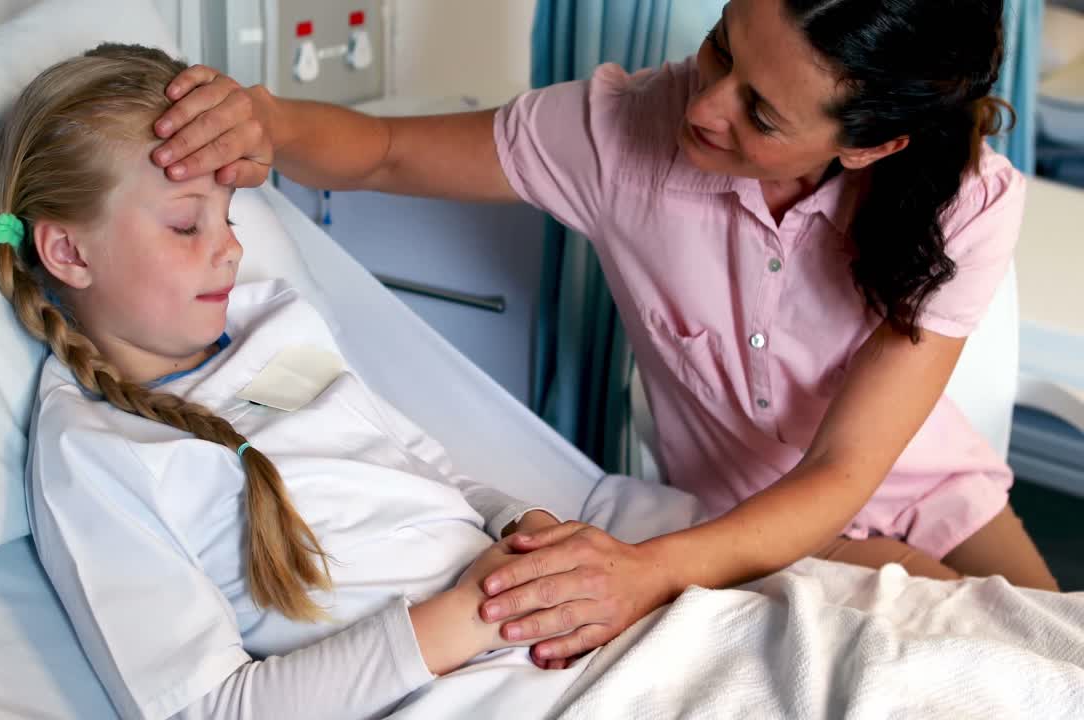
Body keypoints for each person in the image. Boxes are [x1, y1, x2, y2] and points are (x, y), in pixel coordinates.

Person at [150, 0, 1061, 668]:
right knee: (967, 655)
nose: (706, 106)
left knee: (1059, 648)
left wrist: (644, 573)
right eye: (720, 51)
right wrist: (267, 120)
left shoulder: (967, 202)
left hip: (939, 492)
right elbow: (384, 149)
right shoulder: (620, 133)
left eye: (762, 114)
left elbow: (844, 472)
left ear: (869, 146)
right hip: (737, 522)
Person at [0, 42, 617, 720]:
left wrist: (523, 525)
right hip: (481, 685)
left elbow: (426, 470)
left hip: (557, 626)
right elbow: (210, 709)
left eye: (227, 214)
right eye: (185, 223)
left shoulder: (278, 321)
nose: (231, 246)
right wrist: (472, 617)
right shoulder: (94, 449)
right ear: (69, 251)